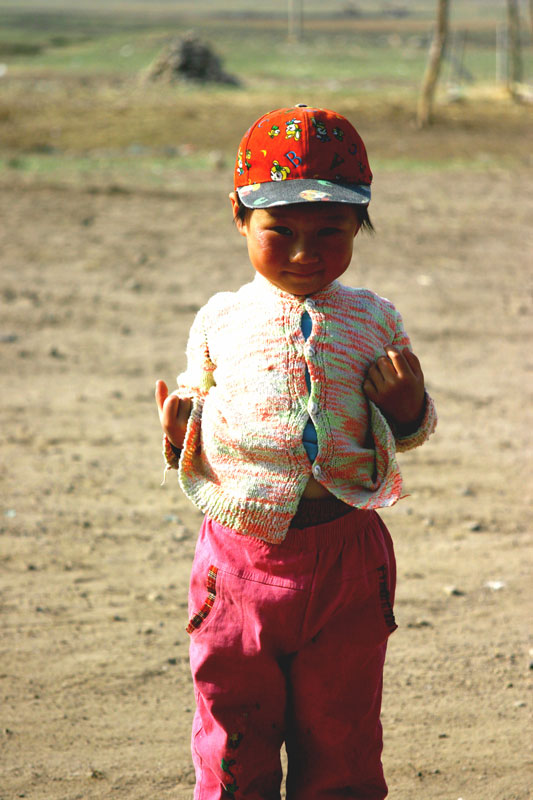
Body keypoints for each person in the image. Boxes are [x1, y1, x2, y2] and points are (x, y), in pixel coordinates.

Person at [155, 104, 437, 800]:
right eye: (280, 231)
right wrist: (178, 429)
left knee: (340, 740)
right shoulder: (221, 319)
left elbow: (407, 426)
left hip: (345, 557)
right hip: (238, 562)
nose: (306, 253)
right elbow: (199, 399)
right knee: (233, 736)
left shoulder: (375, 320)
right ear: (240, 217)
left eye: (330, 233)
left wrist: (407, 413)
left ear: (358, 224)